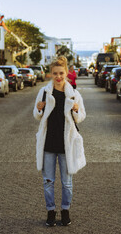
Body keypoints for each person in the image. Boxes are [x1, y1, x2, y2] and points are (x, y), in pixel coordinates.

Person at [33, 56, 86, 227]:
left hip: (66, 144)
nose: (58, 76)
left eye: (61, 73)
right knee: (48, 181)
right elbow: (36, 115)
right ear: (51, 74)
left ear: (66, 73)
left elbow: (81, 117)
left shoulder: (74, 94)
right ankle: (50, 212)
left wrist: (77, 110)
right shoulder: (44, 92)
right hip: (48, 144)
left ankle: (65, 211)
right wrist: (39, 109)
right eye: (55, 73)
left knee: (67, 182)